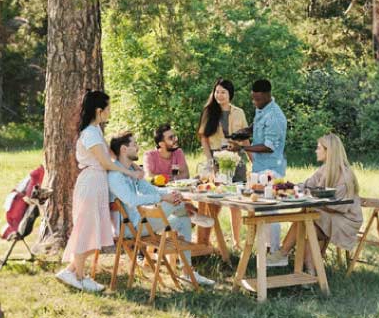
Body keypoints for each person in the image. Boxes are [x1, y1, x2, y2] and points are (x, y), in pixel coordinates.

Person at [56, 91, 145, 292]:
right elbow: (105, 162)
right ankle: (78, 276)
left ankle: (72, 272)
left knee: (93, 230)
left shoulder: (97, 131)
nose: (110, 111)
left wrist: (133, 166)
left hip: (98, 184)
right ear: (99, 110)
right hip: (90, 184)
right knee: (86, 229)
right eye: (108, 108)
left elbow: (112, 155)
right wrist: (128, 174)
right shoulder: (89, 133)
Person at [107, 131, 216, 286]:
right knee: (173, 204)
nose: (138, 147)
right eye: (134, 144)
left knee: (182, 220)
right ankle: (190, 211)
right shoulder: (116, 175)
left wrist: (169, 193)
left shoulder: (130, 171)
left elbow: (150, 189)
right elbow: (131, 200)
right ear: (124, 149)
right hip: (130, 228)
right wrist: (164, 198)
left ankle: (187, 273)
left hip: (140, 222)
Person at [267, 133, 363, 272]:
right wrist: (283, 186)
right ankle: (310, 272)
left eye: (319, 148)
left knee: (307, 218)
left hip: (345, 220)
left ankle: (283, 254)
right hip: (329, 215)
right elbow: (307, 185)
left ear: (328, 151)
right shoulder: (324, 169)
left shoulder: (345, 175)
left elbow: (342, 206)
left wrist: (315, 201)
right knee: (306, 217)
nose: (316, 151)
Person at [229, 78, 287, 263]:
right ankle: (263, 251)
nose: (255, 103)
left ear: (268, 95)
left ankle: (274, 253)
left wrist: (243, 148)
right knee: (260, 209)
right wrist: (244, 132)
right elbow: (257, 125)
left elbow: (269, 146)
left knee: (270, 211)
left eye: (258, 99)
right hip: (259, 167)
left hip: (272, 168)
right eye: (253, 99)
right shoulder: (262, 109)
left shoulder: (276, 117)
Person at [197, 78, 250, 248]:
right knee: (215, 202)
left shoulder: (239, 112)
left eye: (223, 92)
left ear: (230, 94)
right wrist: (210, 161)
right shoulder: (208, 111)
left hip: (236, 159)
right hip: (217, 159)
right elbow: (204, 138)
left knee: (237, 201)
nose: (219, 95)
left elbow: (245, 138)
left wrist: (252, 159)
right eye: (217, 91)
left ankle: (236, 242)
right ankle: (208, 241)